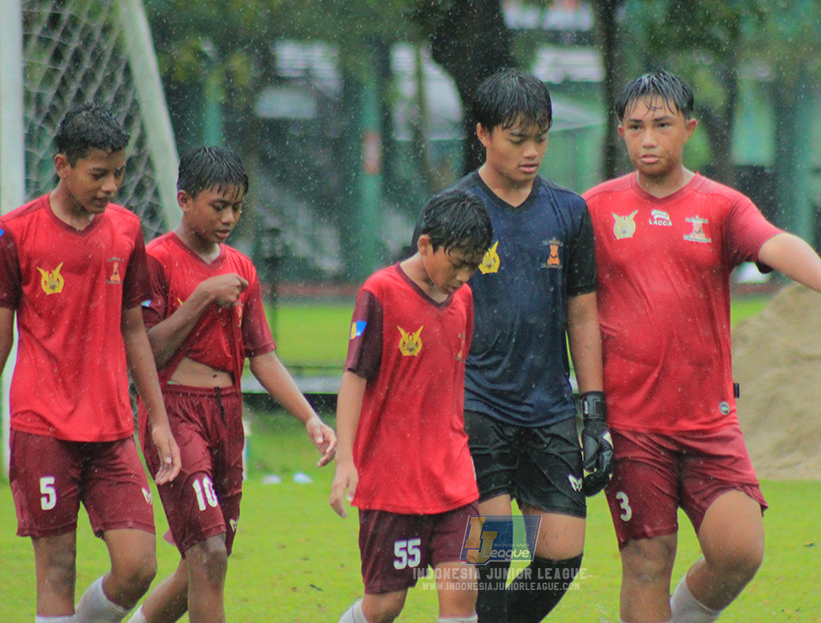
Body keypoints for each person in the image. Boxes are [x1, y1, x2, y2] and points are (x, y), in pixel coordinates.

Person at [583, 70, 821, 623]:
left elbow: (774, 241)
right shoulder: (593, 209)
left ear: (688, 129)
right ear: (620, 132)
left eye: (662, 125)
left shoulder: (720, 206)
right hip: (632, 426)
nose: (648, 139)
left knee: (740, 551)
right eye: (636, 126)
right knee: (646, 559)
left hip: (707, 422)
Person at [425, 68, 610, 623]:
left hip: (550, 407)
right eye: (517, 138)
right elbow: (425, 308)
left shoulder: (569, 212)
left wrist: (594, 411)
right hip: (476, 406)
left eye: (541, 137)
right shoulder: (455, 210)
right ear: (482, 134)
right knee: (493, 554)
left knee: (561, 557)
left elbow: (582, 312)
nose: (532, 152)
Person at [126, 146, 336, 623]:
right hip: (175, 415)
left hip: (227, 420)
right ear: (184, 199)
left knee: (201, 564)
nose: (229, 217)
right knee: (209, 553)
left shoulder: (242, 269)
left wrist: (309, 418)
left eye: (237, 206)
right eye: (218, 206)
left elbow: (262, 357)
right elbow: (146, 350)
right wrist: (201, 297)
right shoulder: (156, 260)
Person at [0, 102, 181, 623]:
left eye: (119, 173)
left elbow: (134, 330)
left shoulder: (126, 231)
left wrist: (160, 420)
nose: (111, 186)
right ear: (63, 166)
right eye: (98, 174)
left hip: (111, 428)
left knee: (138, 566)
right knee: (57, 571)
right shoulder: (16, 234)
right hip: (43, 427)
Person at [330, 190, 493, 623]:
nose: (463, 275)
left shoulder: (464, 299)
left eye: (473, 265)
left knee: (463, 597)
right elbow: (354, 377)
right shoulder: (380, 291)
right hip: (391, 482)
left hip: (456, 480)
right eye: (456, 262)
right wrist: (346, 458)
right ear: (424, 245)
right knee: (385, 604)